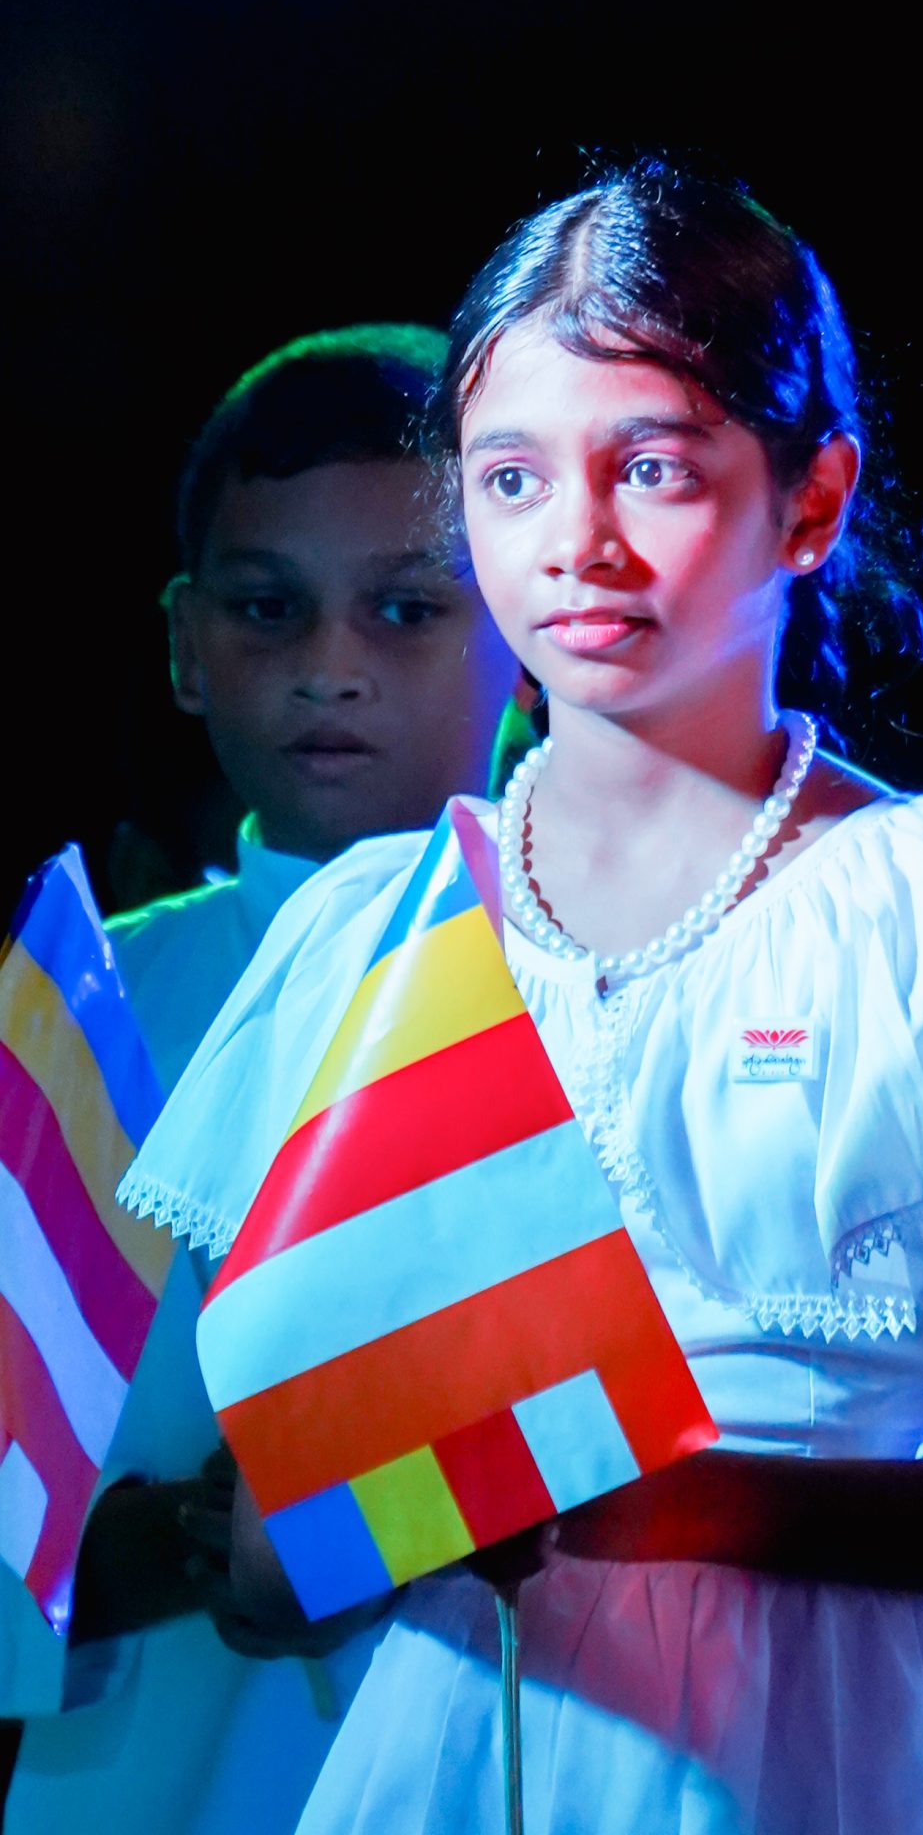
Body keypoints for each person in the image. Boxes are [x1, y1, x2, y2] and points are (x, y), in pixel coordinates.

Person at [119, 164, 923, 1835]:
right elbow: (284, 1564)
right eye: (511, 477)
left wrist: (696, 1507)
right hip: (470, 1748)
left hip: (859, 1747)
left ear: (809, 502)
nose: (575, 540)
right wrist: (361, 1522)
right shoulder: (389, 933)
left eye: (651, 467)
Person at [0, 324, 514, 1834]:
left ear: (532, 637)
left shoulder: (620, 989)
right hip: (144, 1778)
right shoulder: (83, 1010)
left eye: (408, 610)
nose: (329, 668)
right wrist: (187, 1538)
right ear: (181, 642)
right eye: (267, 610)